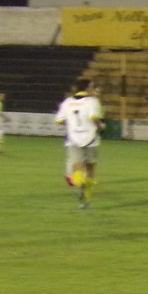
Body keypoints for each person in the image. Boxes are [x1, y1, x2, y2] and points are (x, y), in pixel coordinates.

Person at [55, 79, 104, 208]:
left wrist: (70, 124)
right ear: (88, 88)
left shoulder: (67, 102)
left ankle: (79, 183)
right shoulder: (92, 101)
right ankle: (85, 201)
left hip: (73, 139)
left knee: (77, 167)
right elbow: (93, 118)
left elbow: (59, 120)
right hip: (90, 139)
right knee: (90, 169)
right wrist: (101, 126)